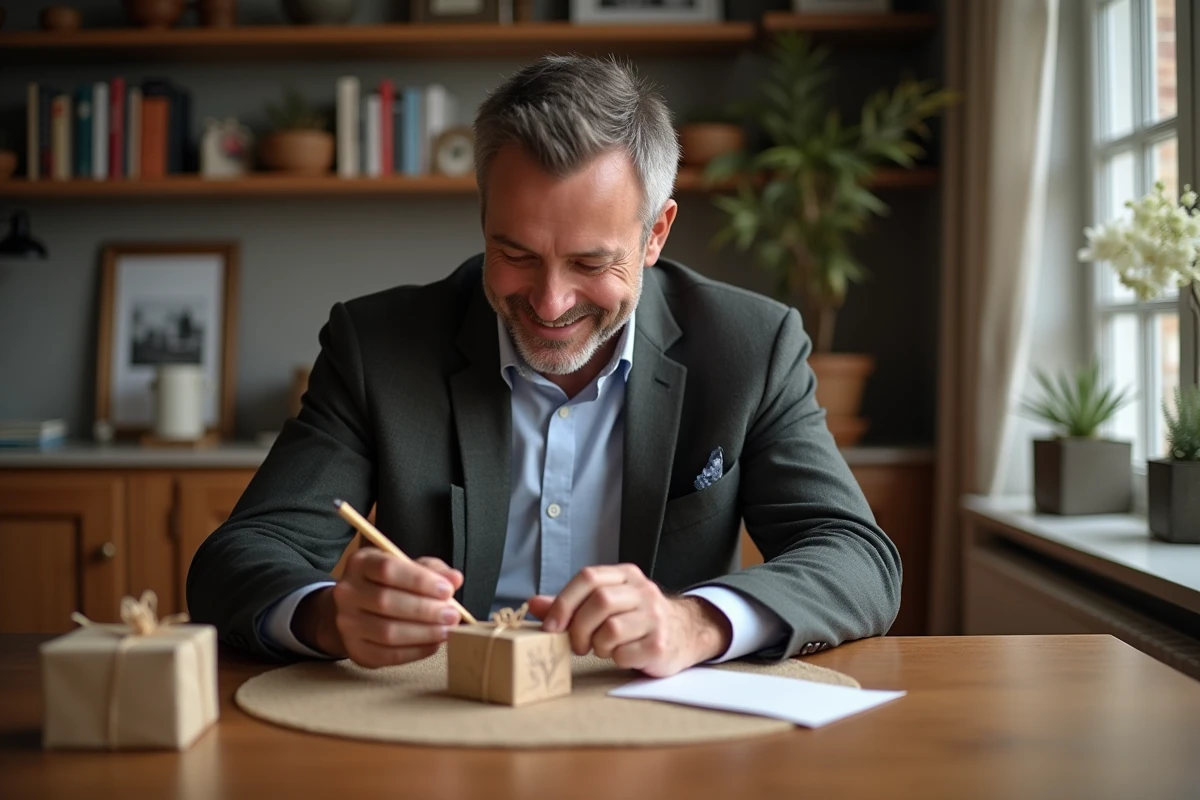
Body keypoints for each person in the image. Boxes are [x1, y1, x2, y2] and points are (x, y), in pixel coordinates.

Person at [186, 55, 901, 678]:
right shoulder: (377, 346)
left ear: (656, 233)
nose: (550, 303)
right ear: (483, 217)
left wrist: (695, 623)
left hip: (665, 736)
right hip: (435, 727)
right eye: (517, 254)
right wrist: (328, 617)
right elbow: (240, 558)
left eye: (590, 262)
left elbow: (857, 557)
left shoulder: (750, 346)